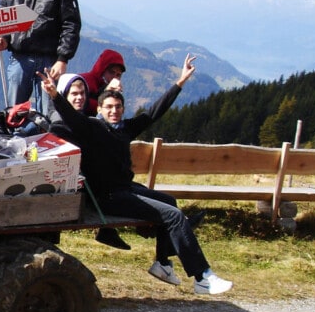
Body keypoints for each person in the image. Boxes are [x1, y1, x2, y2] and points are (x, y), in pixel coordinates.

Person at [41, 55, 232, 294]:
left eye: (118, 107)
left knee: (170, 202)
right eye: (108, 107)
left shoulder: (125, 128)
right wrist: (55, 95)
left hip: (125, 189)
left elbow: (154, 112)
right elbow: (70, 117)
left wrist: (180, 82)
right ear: (98, 108)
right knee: (173, 215)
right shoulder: (91, 128)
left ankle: (163, 263)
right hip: (108, 197)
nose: (114, 111)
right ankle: (202, 276)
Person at [50, 73, 132, 251]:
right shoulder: (60, 123)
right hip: (82, 183)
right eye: (74, 94)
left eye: (82, 94)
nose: (80, 98)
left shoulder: (82, 119)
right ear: (64, 95)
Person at [83, 48, 126, 114]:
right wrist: (106, 93)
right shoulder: (85, 81)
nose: (114, 77)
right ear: (102, 70)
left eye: (118, 75)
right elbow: (80, 103)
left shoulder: (111, 89)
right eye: (111, 72)